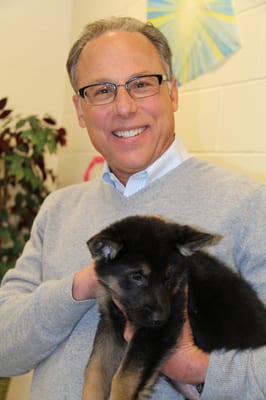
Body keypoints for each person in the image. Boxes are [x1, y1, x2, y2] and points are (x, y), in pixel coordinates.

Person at [0, 16, 265, 400]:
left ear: (172, 92)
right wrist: (82, 285)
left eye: (141, 84)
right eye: (102, 90)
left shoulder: (250, 205)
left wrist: (196, 369)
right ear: (79, 108)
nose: (124, 107)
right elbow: (4, 350)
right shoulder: (58, 208)